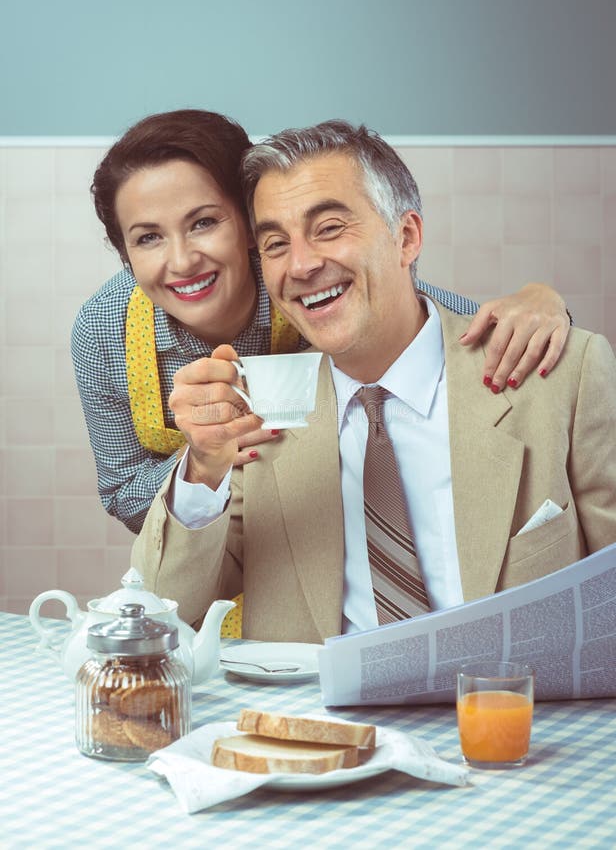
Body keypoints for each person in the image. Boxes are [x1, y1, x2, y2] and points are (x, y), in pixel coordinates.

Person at [130, 120, 616, 641]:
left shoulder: (561, 374)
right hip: (324, 717)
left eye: (330, 228)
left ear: (406, 237)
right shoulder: (261, 409)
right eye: (274, 243)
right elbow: (166, 608)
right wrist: (203, 464)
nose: (302, 264)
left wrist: (545, 296)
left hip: (510, 713)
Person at [73, 110, 570, 534]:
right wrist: (206, 465)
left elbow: (441, 318)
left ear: (251, 225)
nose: (181, 262)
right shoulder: (103, 329)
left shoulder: (308, 284)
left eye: (204, 222)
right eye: (147, 238)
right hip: (204, 562)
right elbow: (122, 491)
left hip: (315, 554)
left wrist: (542, 301)